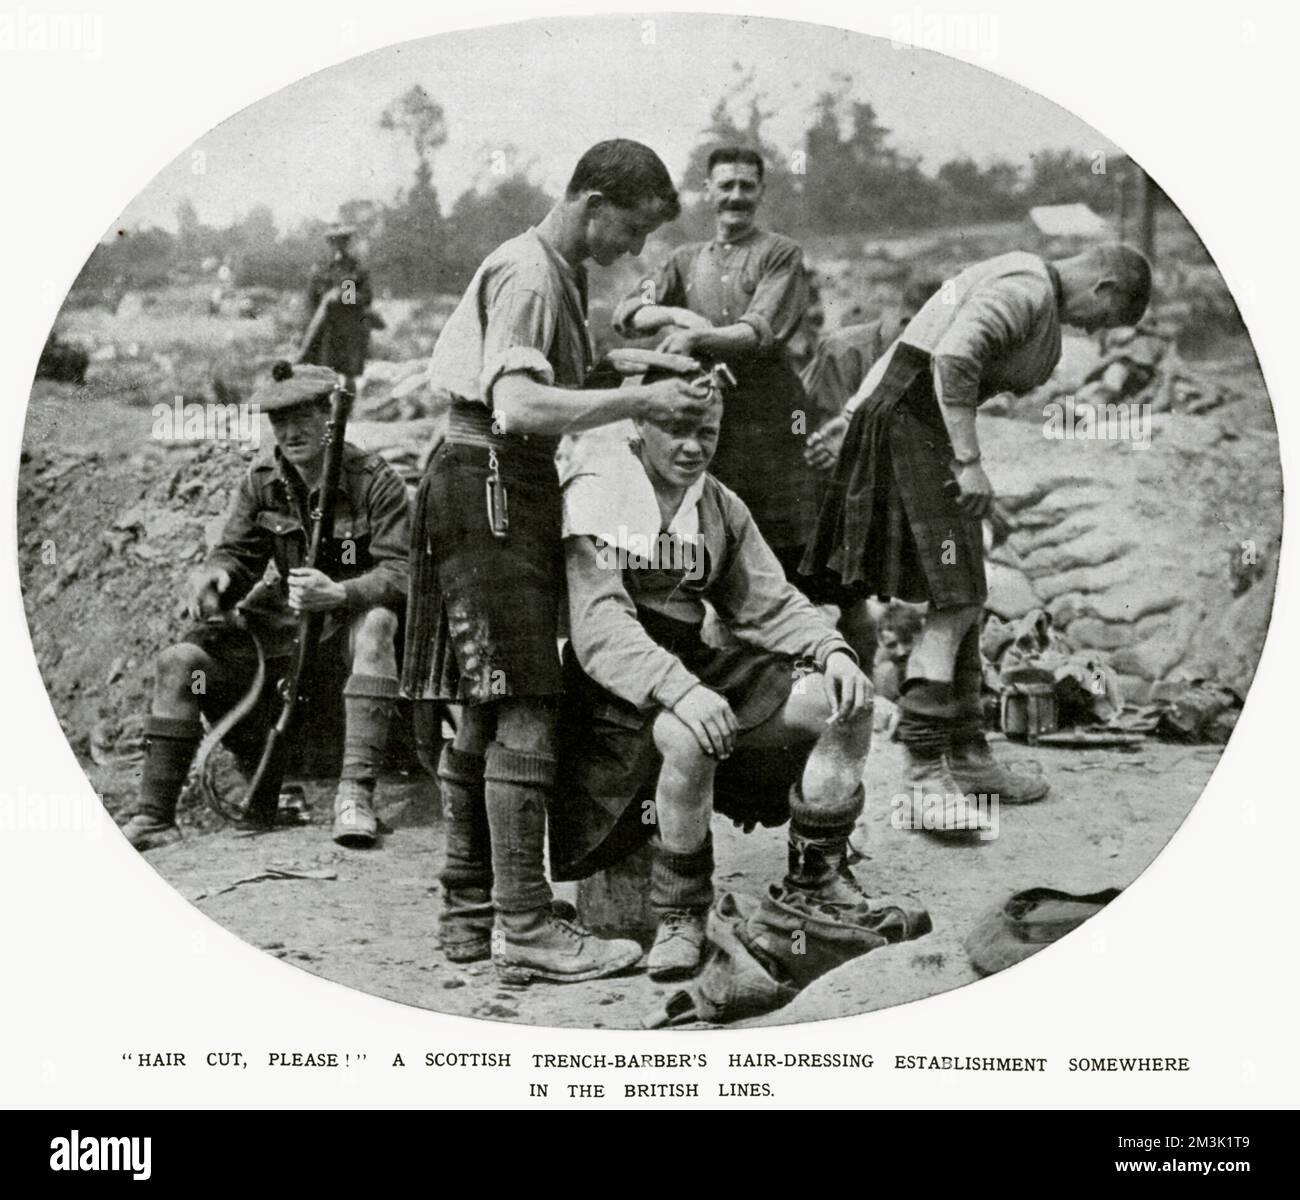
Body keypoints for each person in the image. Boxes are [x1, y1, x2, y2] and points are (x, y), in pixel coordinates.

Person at [401, 139, 712, 984]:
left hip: (484, 482)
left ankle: (471, 913)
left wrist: (638, 366)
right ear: (593, 200)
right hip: (496, 483)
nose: (635, 252)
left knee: (481, 707)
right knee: (526, 701)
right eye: (635, 228)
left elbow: (553, 377)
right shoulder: (535, 274)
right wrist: (641, 399)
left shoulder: (550, 271)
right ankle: (529, 928)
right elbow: (520, 402)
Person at [555, 391, 928, 982]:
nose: (691, 446)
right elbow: (600, 627)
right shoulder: (603, 492)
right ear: (639, 426)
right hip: (616, 683)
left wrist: (831, 651)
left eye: (706, 431)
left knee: (838, 707)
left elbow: (768, 600)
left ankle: (816, 878)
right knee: (688, 738)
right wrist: (677, 689)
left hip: (694, 661)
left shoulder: (718, 505)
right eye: (675, 428)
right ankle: (680, 912)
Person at [802, 245, 1152, 830]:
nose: (1092, 328)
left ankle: (966, 755)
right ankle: (921, 774)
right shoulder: (1026, 288)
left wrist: (853, 414)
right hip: (915, 430)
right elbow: (952, 359)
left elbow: (911, 339)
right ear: (1106, 286)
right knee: (957, 596)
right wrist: (968, 462)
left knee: (969, 591)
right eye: (1103, 318)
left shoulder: (1017, 277)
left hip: (912, 425)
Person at [121, 361, 409, 851]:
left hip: (345, 640)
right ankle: (155, 816)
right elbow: (237, 553)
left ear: (330, 417)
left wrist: (342, 593)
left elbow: (402, 574)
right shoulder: (262, 481)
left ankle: (355, 796)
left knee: (379, 623)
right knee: (182, 663)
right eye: (278, 420)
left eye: (302, 417)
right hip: (282, 637)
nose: (290, 432)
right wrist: (217, 576)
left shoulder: (373, 482)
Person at [611, 147, 820, 587]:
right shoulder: (685, 260)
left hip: (770, 411)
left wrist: (696, 338)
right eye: (727, 185)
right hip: (704, 409)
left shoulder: (781, 253)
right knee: (701, 519)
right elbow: (628, 312)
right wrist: (676, 316)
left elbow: (758, 331)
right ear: (708, 191)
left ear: (761, 191)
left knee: (782, 534)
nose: (737, 196)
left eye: (747, 186)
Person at [300, 226, 374, 386]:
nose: (339, 245)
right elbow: (310, 300)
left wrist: (345, 295)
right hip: (326, 331)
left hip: (349, 329)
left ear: (347, 243)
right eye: (334, 241)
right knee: (325, 376)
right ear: (329, 244)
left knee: (348, 380)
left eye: (343, 241)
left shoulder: (356, 267)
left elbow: (367, 297)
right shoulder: (320, 268)